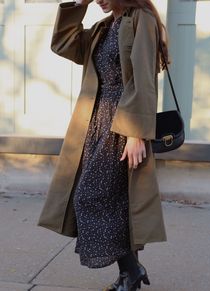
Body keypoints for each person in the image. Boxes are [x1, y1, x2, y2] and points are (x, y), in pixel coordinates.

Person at [37, 0, 168, 290]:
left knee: (90, 196)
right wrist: (78, 5)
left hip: (123, 124)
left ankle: (132, 271)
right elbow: (63, 43)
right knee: (116, 201)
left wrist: (137, 134)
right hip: (95, 122)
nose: (97, 0)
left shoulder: (141, 19)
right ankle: (127, 278)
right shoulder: (104, 27)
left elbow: (144, 78)